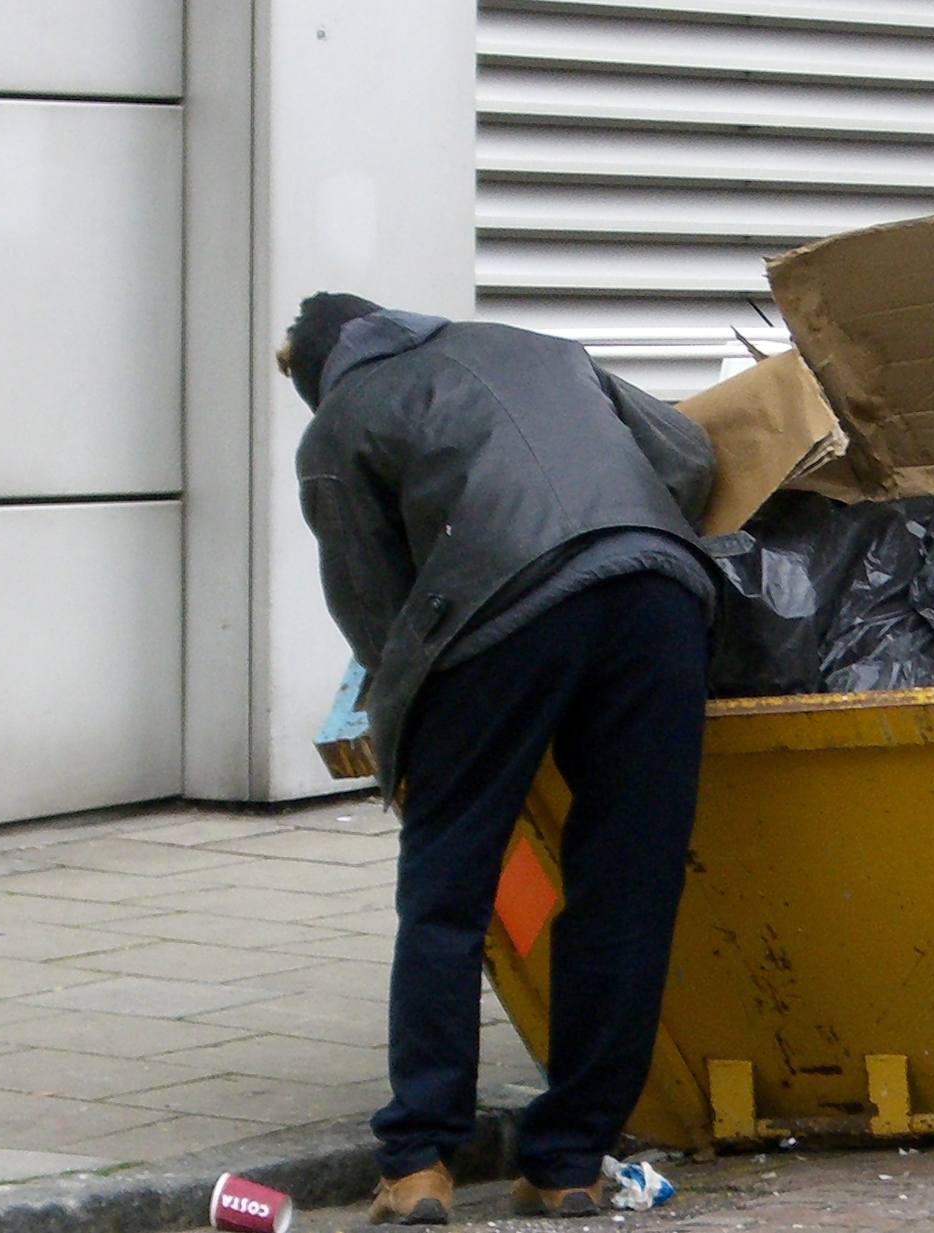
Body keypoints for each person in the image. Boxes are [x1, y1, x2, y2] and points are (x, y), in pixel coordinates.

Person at [278, 294, 718, 1223]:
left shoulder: (338, 429)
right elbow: (687, 455)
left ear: (303, 370)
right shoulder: (537, 343)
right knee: (626, 886)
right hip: (661, 591)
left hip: (503, 615)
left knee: (448, 887)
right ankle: (568, 1161)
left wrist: (404, 754)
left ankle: (419, 1162)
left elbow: (382, 619)